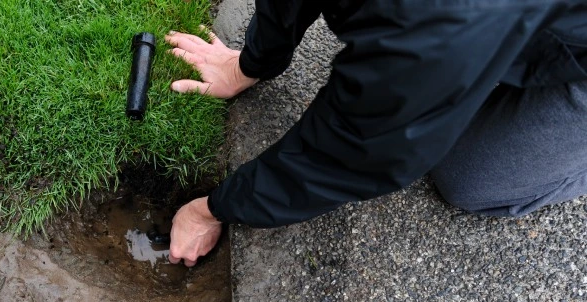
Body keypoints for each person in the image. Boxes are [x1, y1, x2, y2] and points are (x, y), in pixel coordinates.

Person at [165, 1, 587, 267]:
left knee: (469, 179)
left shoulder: (440, 23)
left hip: (522, 33)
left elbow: (355, 153)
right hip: (502, 25)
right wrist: (251, 64)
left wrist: (210, 210)